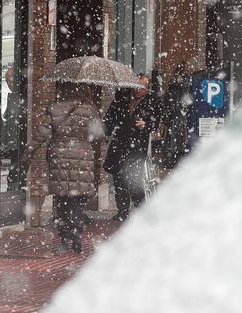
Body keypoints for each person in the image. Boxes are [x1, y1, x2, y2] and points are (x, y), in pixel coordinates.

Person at [33, 83, 104, 253]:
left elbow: (42, 133)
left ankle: (65, 237)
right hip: (82, 159)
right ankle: (77, 229)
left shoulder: (55, 107)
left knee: (62, 200)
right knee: (78, 199)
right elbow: (99, 134)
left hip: (60, 159)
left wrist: (29, 151)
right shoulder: (89, 108)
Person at [104, 74, 158, 221]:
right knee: (119, 179)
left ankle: (141, 211)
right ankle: (122, 212)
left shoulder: (152, 100)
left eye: (141, 88)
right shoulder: (122, 96)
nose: (137, 91)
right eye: (135, 87)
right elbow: (110, 116)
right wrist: (107, 132)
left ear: (147, 88)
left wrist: (146, 125)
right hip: (120, 143)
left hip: (137, 145)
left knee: (135, 179)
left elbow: (156, 122)